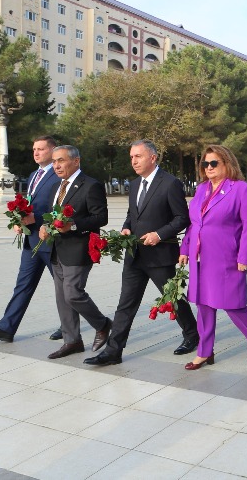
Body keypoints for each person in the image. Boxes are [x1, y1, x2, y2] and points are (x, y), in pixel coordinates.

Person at [84, 140, 197, 367]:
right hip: (134, 254)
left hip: (160, 254)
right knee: (125, 304)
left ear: (152, 157)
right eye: (131, 157)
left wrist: (158, 234)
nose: (133, 161)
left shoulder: (170, 183)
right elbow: (132, 214)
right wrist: (126, 227)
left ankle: (192, 334)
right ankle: (113, 352)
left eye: (138, 156)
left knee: (173, 299)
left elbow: (182, 218)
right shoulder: (135, 184)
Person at [178, 145, 247, 370]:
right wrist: (185, 249)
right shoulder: (201, 189)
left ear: (227, 163)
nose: (208, 167)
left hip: (226, 258)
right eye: (205, 164)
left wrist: (245, 256)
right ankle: (204, 352)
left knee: (232, 304)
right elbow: (194, 223)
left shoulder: (241, 189)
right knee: (203, 305)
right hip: (200, 259)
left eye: (214, 163)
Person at [0, 136, 62, 343]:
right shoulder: (33, 175)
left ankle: (76, 324)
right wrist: (19, 219)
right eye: (34, 149)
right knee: (23, 285)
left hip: (50, 241)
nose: (36, 153)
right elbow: (30, 203)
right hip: (31, 241)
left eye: (41, 149)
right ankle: (6, 327)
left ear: (53, 151)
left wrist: (37, 219)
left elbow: (60, 208)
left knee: (65, 286)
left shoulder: (60, 175)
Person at [39, 145, 111, 359]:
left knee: (73, 293)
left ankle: (103, 324)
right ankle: (72, 341)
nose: (56, 165)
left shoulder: (91, 185)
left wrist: (73, 225)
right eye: (54, 161)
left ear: (76, 161)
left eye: (61, 160)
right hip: (56, 249)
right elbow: (52, 215)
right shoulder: (55, 187)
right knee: (62, 298)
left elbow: (101, 218)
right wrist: (45, 226)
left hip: (79, 248)